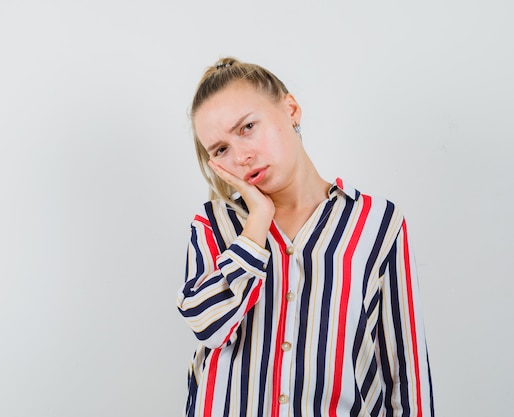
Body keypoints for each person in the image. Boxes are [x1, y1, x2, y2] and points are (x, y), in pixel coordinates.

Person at [176, 57, 435, 417]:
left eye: (248, 127)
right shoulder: (214, 224)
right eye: (220, 150)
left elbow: (404, 375)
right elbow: (208, 327)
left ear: (291, 109)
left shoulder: (378, 223)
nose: (242, 156)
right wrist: (256, 227)